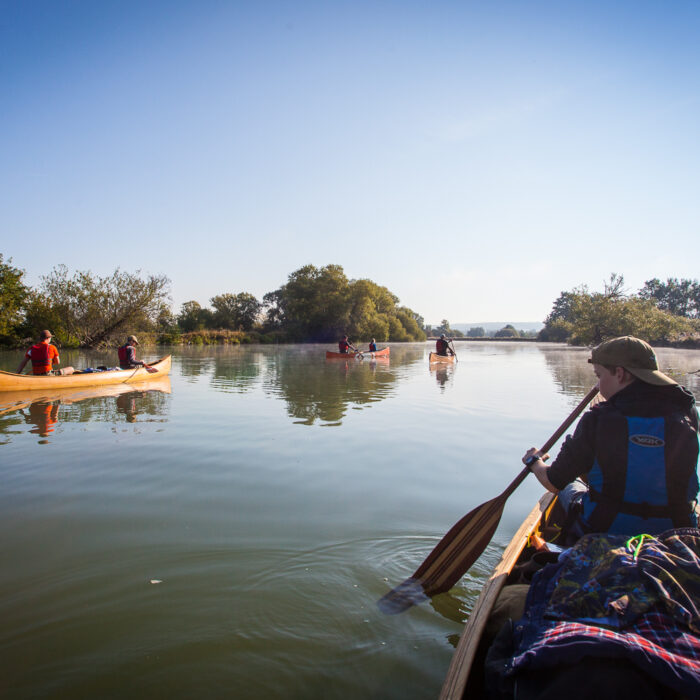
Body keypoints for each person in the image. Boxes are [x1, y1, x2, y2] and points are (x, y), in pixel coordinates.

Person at [523, 335, 699, 537]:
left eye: (599, 376)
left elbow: (553, 482)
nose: (597, 386)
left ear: (620, 374)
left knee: (569, 486)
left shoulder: (597, 419)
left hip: (606, 530)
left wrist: (534, 461)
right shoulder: (687, 413)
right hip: (679, 533)